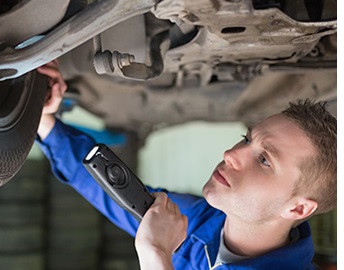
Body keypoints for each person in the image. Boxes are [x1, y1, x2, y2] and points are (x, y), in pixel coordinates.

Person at [35, 61, 337, 269]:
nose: (231, 154)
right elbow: (112, 195)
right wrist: (45, 119)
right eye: (247, 139)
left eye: (263, 160)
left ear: (298, 209)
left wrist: (156, 256)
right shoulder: (200, 222)